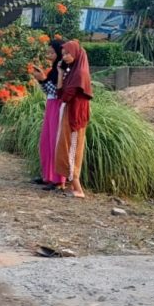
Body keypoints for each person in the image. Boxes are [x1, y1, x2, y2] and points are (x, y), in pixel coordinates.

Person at [54, 40, 93, 198]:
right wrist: (60, 73)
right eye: (63, 55)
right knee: (67, 147)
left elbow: (63, 95)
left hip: (74, 117)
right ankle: (74, 186)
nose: (65, 57)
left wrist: (61, 79)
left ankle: (78, 189)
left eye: (68, 53)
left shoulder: (79, 74)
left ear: (76, 53)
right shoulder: (72, 72)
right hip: (70, 113)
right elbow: (60, 94)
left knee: (72, 149)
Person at [31, 38, 66, 189]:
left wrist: (44, 80)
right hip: (51, 104)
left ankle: (59, 179)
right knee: (46, 141)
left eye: (52, 52)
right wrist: (41, 81)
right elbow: (48, 91)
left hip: (58, 106)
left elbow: (59, 92)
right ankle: (48, 175)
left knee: (55, 142)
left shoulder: (63, 70)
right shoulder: (54, 69)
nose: (49, 55)